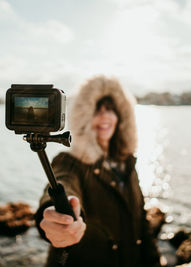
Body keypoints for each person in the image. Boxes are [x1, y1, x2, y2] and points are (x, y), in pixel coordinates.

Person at [35, 76, 161, 267]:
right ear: (84, 117)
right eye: (97, 110)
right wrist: (58, 215)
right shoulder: (70, 162)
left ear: (120, 117)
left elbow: (141, 222)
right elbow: (62, 183)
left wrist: (154, 260)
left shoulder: (127, 163)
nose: (104, 116)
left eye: (110, 109)